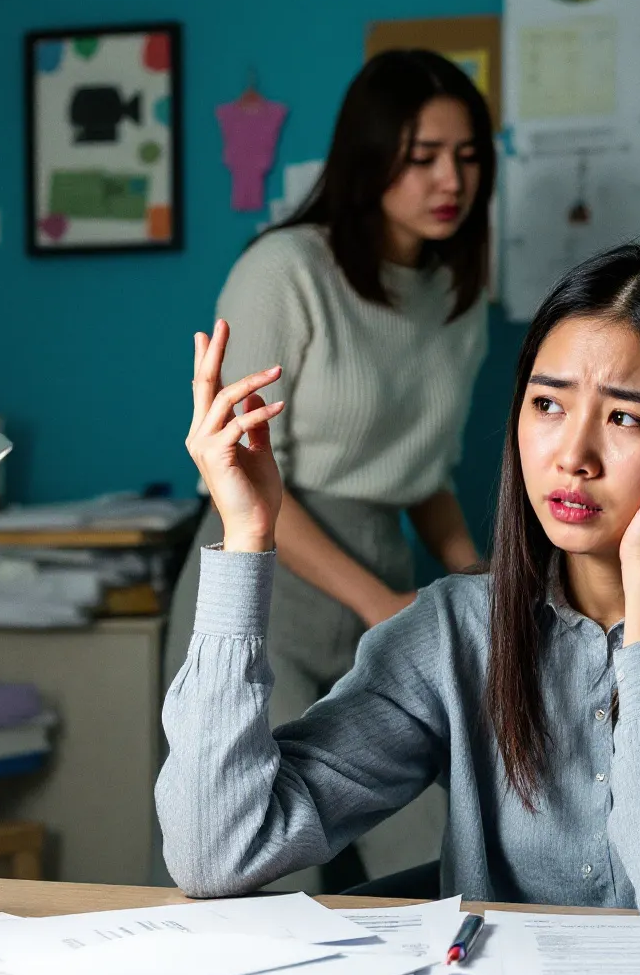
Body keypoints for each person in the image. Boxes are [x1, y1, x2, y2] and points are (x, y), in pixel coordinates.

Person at [158, 243, 640, 926]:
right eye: (548, 404)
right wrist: (248, 535)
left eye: (624, 417)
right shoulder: (457, 629)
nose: (573, 454)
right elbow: (217, 853)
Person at [163, 50, 495, 889]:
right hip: (265, 571)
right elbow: (234, 471)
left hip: (380, 577)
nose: (448, 178)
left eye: (466, 156)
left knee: (436, 857)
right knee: (256, 871)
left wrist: (482, 584)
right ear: (368, 157)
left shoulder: (457, 291)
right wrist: (383, 606)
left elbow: (421, 471)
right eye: (421, 157)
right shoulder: (287, 269)